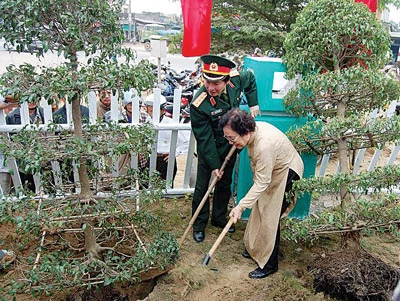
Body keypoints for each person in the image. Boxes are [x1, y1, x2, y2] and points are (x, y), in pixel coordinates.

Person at [219, 108, 304, 279]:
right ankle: (257, 250)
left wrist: (241, 207)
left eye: (232, 138)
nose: (230, 142)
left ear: (244, 132)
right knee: (261, 209)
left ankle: (270, 264)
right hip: (273, 171)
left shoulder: (264, 145)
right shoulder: (253, 133)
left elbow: (261, 182)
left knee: (270, 217)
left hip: (287, 172)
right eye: (227, 138)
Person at [190, 54, 259, 243]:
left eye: (217, 83)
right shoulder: (199, 103)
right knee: (203, 187)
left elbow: (251, 79)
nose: (211, 87)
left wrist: (254, 103)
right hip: (210, 148)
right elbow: (203, 137)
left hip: (230, 145)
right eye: (208, 81)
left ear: (227, 80)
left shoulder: (237, 79)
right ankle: (199, 223)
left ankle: (219, 218)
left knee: (224, 184)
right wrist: (213, 164)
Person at [145, 93, 178, 183]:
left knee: (166, 186)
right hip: (152, 157)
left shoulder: (170, 123)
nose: (152, 114)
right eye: (150, 111)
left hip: (166, 159)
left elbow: (185, 142)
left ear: (163, 110)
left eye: (155, 111)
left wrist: (174, 152)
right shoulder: (146, 122)